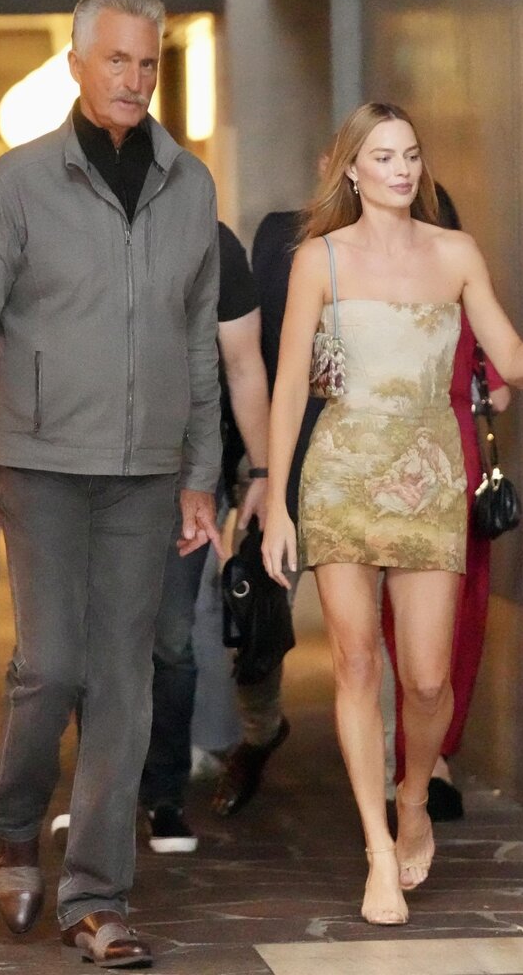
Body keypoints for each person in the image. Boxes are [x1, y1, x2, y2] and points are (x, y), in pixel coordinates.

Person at [0, 0, 222, 968]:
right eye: (115, 60)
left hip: (146, 474)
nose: (133, 79)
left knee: (123, 683)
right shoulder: (19, 184)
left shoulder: (191, 186)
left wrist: (199, 473)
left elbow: (197, 341)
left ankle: (96, 896)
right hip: (40, 464)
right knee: (50, 665)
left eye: (148, 62)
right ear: (77, 64)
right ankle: (15, 826)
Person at [261, 101, 523, 927]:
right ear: (352, 169)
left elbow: (511, 364)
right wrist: (275, 504)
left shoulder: (455, 253)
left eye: (410, 154)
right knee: (355, 665)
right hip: (340, 475)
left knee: (427, 679)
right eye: (383, 157)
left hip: (428, 477)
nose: (402, 170)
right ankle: (378, 850)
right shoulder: (318, 260)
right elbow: (288, 388)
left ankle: (413, 792)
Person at [139, 220, 270, 853]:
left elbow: (244, 366)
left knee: (172, 638)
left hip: (189, 471)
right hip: (89, 469)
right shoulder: (76, 225)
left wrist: (262, 471)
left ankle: (164, 796)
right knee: (94, 639)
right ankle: (104, 794)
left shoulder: (209, 240)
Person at [381, 185, 511, 822]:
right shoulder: (459, 291)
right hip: (440, 469)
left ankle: (416, 762)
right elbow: (500, 392)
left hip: (411, 472)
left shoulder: (391, 291)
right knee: (455, 622)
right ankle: (430, 762)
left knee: (406, 623)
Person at [211, 208, 322, 817]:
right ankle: (259, 734)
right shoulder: (279, 236)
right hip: (284, 456)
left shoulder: (428, 235)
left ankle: (398, 775)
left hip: (381, 463)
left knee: (376, 634)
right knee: (255, 614)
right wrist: (260, 468)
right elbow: (251, 357)